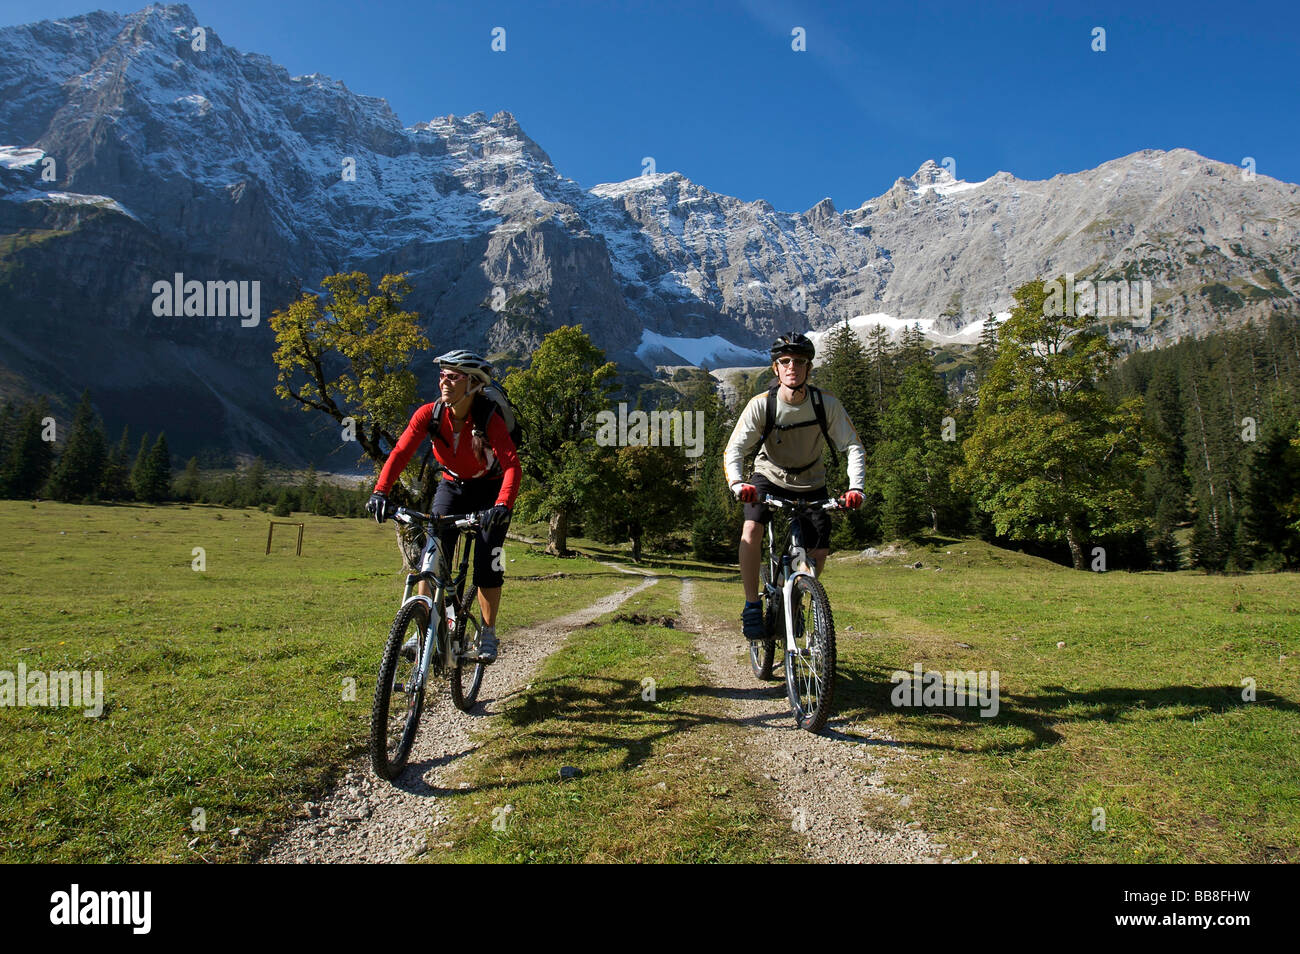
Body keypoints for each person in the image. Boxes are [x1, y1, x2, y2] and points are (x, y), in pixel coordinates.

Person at [366, 350, 520, 663]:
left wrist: (502, 505)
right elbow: (399, 453)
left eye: (453, 377)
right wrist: (381, 491)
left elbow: (512, 466)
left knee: (489, 561)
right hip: (451, 486)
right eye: (442, 376)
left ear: (474, 383)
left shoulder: (489, 416)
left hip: (491, 490)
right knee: (432, 556)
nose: (443, 382)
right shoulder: (430, 413)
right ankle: (423, 629)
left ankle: (487, 632)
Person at [723, 332, 866, 640]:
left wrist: (856, 488)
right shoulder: (762, 405)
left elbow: (852, 446)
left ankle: (799, 597)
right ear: (776, 368)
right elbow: (735, 449)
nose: (792, 368)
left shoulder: (824, 404)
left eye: (799, 362)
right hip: (768, 476)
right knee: (751, 530)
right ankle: (751, 605)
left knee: (820, 550)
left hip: (811, 480)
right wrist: (738, 484)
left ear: (808, 368)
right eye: (785, 362)